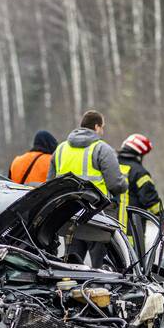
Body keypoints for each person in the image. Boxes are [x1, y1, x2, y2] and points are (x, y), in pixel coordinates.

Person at [49, 110, 128, 266]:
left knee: (71, 266)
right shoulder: (102, 149)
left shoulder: (60, 149)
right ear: (97, 126)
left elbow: (50, 184)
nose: (103, 131)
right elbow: (116, 185)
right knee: (101, 269)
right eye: (102, 127)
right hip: (98, 217)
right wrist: (125, 182)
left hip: (69, 216)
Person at [116, 133, 164, 258]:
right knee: (134, 265)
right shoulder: (139, 172)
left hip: (108, 228)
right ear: (139, 154)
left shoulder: (110, 166)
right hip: (131, 230)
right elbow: (151, 200)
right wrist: (162, 218)